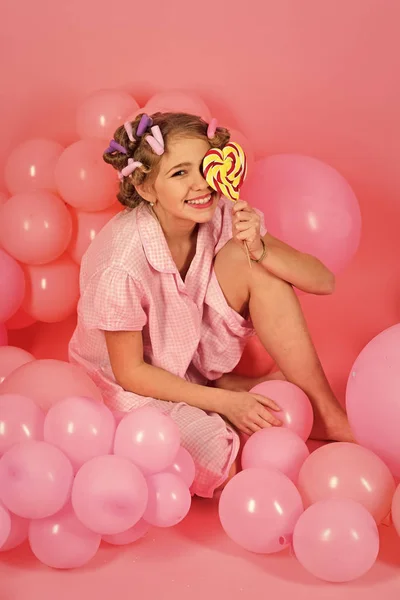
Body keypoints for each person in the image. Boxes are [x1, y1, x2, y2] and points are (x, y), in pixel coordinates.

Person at [69, 111, 353, 498]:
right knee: (220, 460)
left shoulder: (221, 214)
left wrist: (260, 247)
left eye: (204, 166)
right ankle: (224, 394)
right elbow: (131, 373)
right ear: (145, 186)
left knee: (252, 261)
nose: (201, 184)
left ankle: (327, 415)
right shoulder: (119, 264)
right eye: (179, 173)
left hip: (188, 350)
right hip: (129, 384)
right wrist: (227, 402)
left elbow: (325, 281)